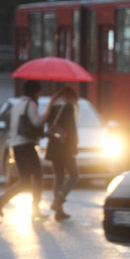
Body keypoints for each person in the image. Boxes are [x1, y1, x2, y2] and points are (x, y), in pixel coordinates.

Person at [0, 80, 47, 219]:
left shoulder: (18, 104)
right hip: (27, 145)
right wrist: (46, 115)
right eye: (39, 91)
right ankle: (35, 209)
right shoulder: (31, 104)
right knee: (38, 176)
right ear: (35, 91)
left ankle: (1, 200)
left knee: (25, 180)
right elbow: (36, 122)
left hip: (15, 146)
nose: (40, 93)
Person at [44, 86, 80, 221]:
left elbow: (49, 126)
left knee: (58, 177)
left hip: (53, 146)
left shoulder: (52, 107)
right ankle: (58, 201)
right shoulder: (67, 108)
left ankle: (59, 212)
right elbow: (72, 129)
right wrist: (74, 146)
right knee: (74, 175)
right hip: (65, 148)